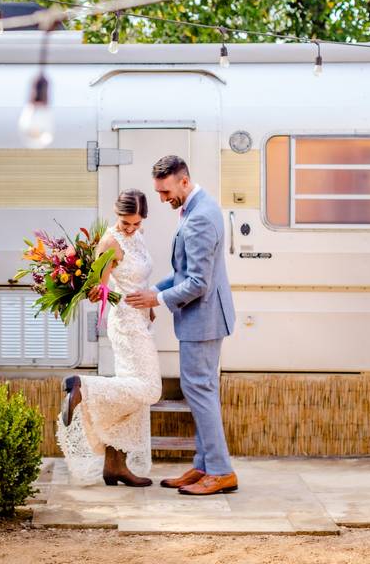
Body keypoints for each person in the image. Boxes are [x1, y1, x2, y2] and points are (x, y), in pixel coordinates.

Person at [123, 155, 238, 495]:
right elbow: (184, 273)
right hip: (204, 317)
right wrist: (154, 290)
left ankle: (220, 471)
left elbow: (198, 283)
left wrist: (157, 301)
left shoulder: (200, 217)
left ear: (184, 181)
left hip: (203, 319)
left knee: (198, 391)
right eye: (159, 192)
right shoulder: (197, 207)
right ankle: (204, 466)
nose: (161, 198)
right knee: (202, 392)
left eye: (166, 191)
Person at [56, 189, 162, 486]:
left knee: (132, 398)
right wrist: (101, 290)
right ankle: (82, 387)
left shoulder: (136, 237)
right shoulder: (110, 242)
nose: (130, 228)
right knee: (150, 389)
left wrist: (148, 304)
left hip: (141, 320)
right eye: (125, 222)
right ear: (117, 214)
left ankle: (116, 465)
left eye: (136, 223)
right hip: (127, 323)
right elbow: (99, 291)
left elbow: (139, 276)